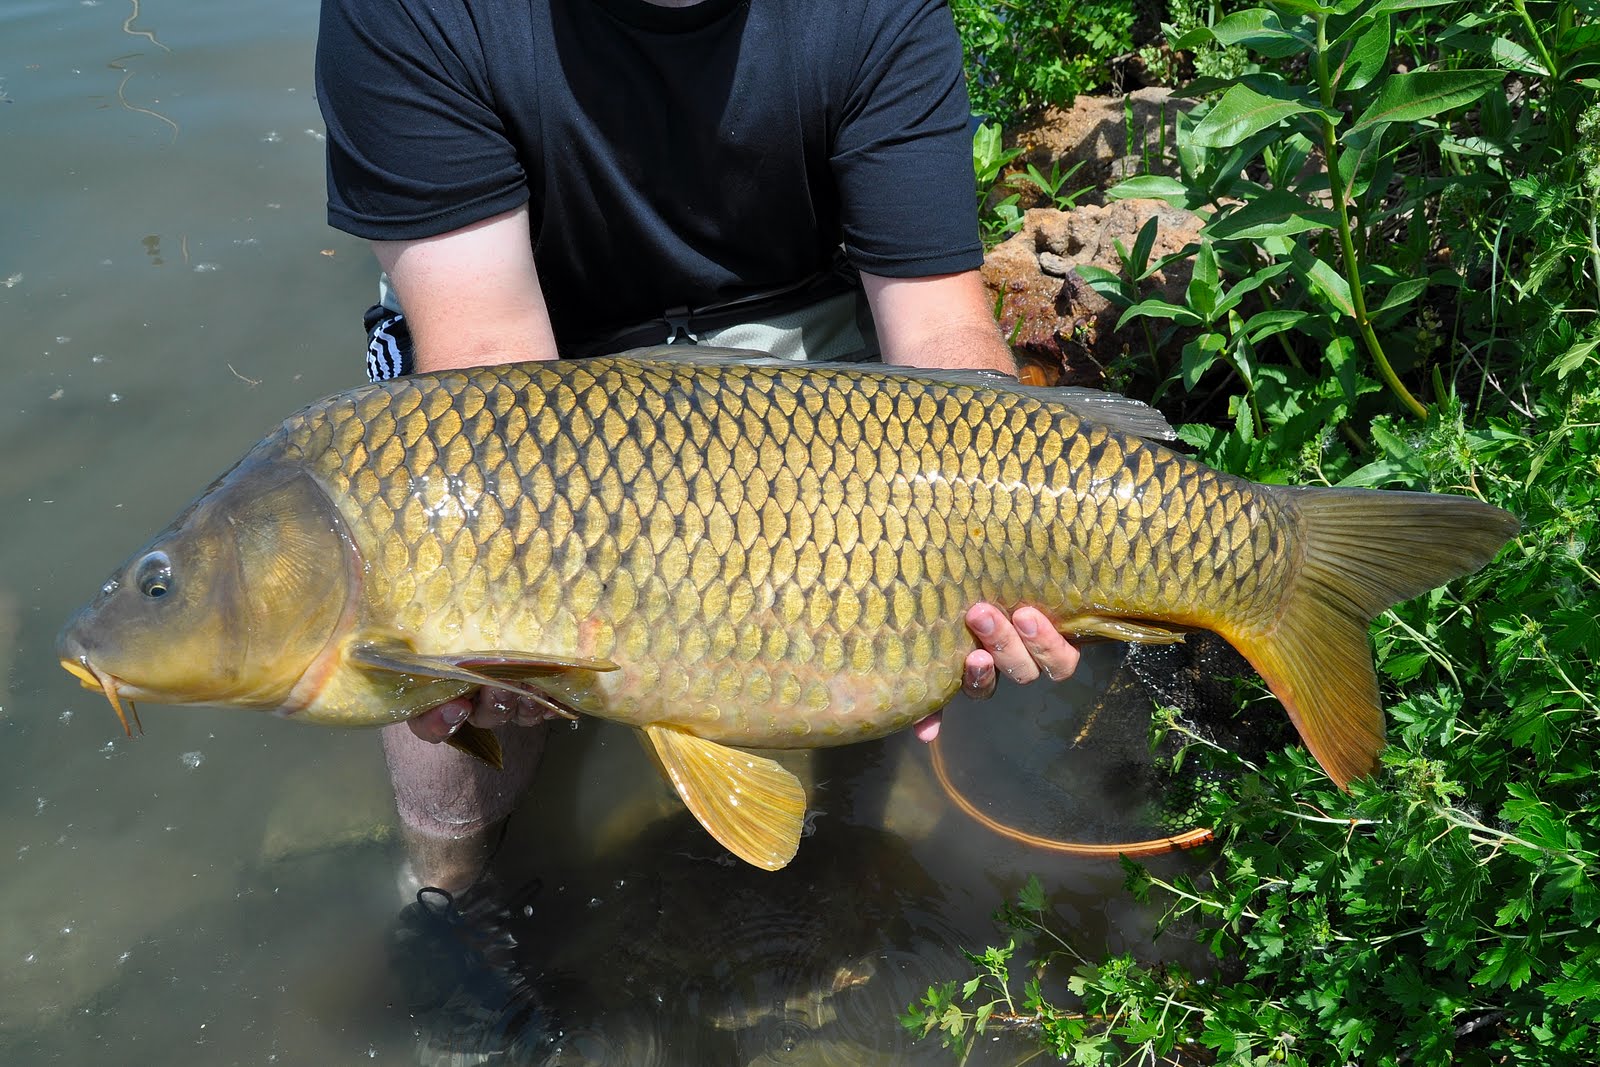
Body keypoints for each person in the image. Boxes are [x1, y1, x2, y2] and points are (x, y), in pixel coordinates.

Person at [315, 0, 1081, 894]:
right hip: (526, 351)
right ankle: (448, 896)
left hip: (802, 342)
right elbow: (487, 360)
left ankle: (851, 856)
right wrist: (510, 615)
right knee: (439, 618)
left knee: (897, 629)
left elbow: (939, 328)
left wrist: (998, 550)